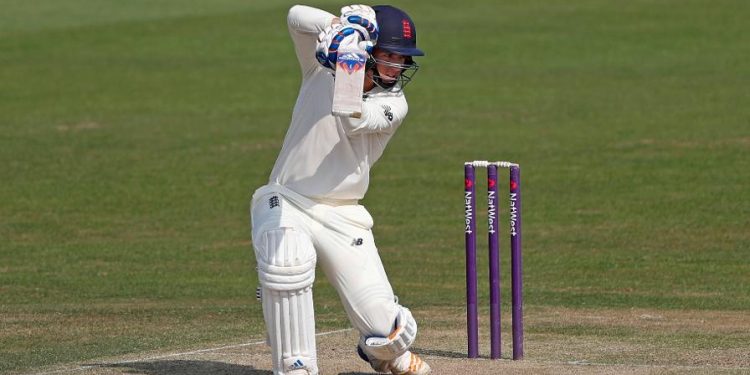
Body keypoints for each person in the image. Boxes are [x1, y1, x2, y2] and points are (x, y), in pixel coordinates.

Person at [250, 4, 428, 375]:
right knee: (287, 262)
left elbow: (351, 114)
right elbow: (296, 16)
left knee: (388, 331)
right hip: (288, 200)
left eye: (402, 59)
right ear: (371, 50)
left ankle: (387, 355)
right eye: (390, 56)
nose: (397, 67)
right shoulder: (318, 69)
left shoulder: (394, 103)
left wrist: (348, 62)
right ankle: (295, 366)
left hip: (344, 215)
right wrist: (341, 29)